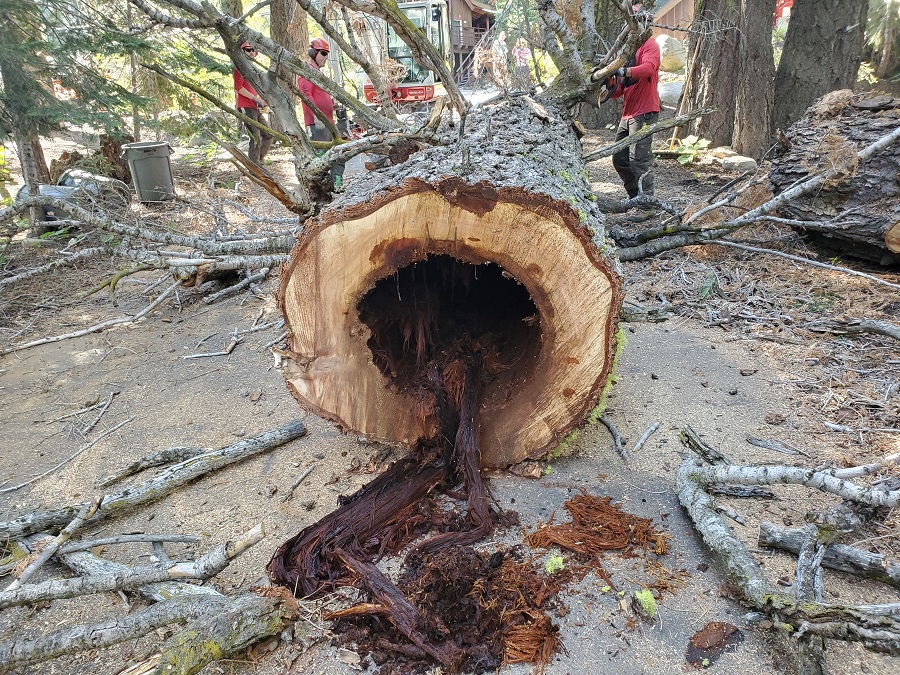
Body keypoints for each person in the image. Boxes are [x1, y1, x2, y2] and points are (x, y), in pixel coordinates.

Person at [609, 6, 660, 221]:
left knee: (641, 161)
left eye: (637, 22)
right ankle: (635, 197)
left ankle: (647, 206)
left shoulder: (650, 45)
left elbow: (649, 68)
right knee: (619, 159)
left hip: (645, 111)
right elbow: (619, 89)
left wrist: (623, 70)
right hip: (628, 113)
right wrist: (610, 82)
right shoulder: (628, 51)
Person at [297, 37, 345, 188]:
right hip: (317, 124)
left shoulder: (318, 73)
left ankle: (337, 181)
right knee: (321, 156)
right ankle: (321, 187)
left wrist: (332, 106)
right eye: (323, 53)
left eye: (327, 54)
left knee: (340, 151)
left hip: (329, 122)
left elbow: (320, 95)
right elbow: (306, 94)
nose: (325, 57)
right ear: (313, 53)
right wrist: (317, 115)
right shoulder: (306, 71)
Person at [233, 42, 273, 165]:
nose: (251, 52)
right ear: (242, 52)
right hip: (246, 106)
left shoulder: (253, 69)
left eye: (253, 50)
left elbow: (257, 88)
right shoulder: (239, 68)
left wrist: (263, 102)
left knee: (268, 134)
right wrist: (256, 100)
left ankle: (258, 161)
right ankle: (254, 166)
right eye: (248, 50)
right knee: (255, 137)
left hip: (254, 107)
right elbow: (238, 88)